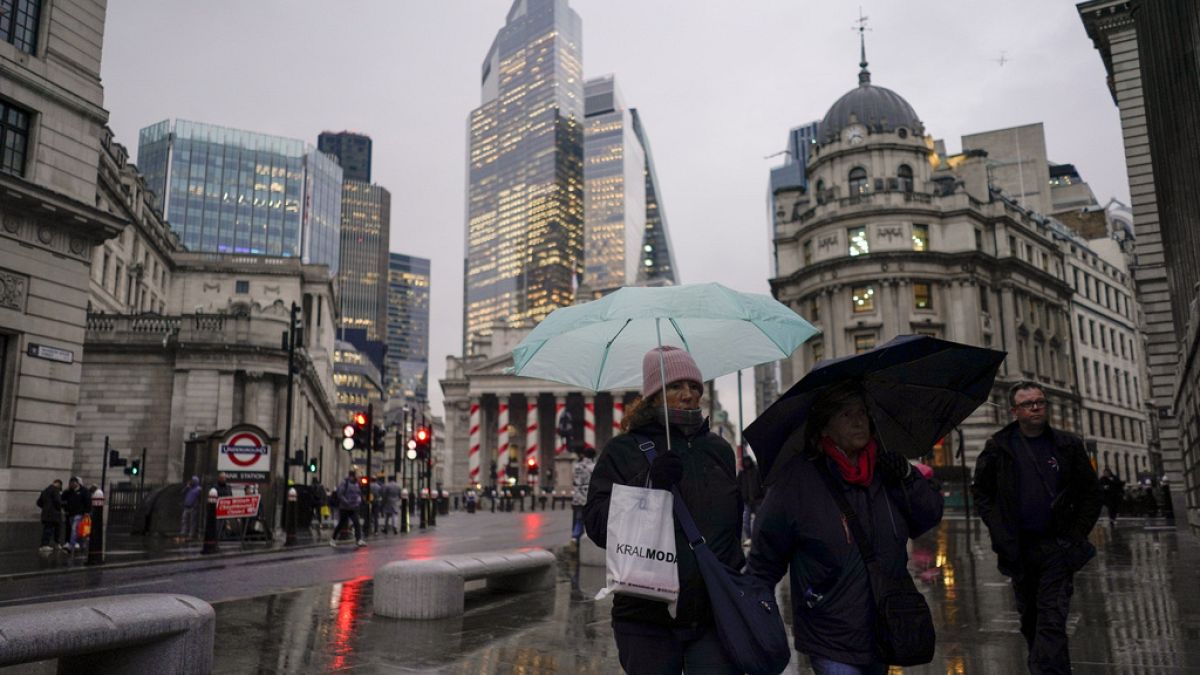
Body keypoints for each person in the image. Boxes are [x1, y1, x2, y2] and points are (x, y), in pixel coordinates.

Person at [747, 382, 944, 674]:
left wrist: (907, 476)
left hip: (883, 624)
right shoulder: (797, 480)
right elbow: (765, 560)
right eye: (846, 415)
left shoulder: (886, 470)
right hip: (830, 632)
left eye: (862, 413)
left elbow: (928, 516)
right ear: (824, 428)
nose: (858, 421)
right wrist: (758, 617)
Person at [584, 346, 744, 675]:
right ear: (654, 395)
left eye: (694, 386)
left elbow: (731, 525)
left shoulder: (719, 450)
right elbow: (598, 525)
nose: (688, 395)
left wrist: (737, 581)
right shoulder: (623, 449)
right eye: (675, 386)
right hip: (646, 617)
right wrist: (647, 483)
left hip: (713, 612)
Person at [973, 381, 1101, 675]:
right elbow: (981, 492)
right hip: (1019, 550)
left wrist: (1075, 534)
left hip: (1057, 547)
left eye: (1040, 402)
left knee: (1052, 619)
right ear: (1014, 411)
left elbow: (1090, 493)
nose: (1035, 407)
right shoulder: (998, 447)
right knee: (1031, 621)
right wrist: (998, 529)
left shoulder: (1067, 445)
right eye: (1028, 404)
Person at [331, 470, 366, 547]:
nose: (358, 477)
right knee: (341, 523)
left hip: (353, 507)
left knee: (356, 523)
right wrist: (346, 502)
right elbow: (340, 494)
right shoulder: (344, 483)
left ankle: (358, 540)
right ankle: (333, 539)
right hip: (345, 507)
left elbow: (358, 493)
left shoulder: (357, 483)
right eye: (357, 476)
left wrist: (359, 500)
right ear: (352, 476)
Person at [737, 453, 764, 545]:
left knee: (758, 519)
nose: (747, 463)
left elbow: (761, 484)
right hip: (747, 500)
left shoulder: (756, 471)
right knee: (746, 521)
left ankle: (756, 538)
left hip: (757, 499)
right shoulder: (742, 474)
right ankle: (749, 538)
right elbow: (738, 485)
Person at [571, 446, 596, 543]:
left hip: (577, 495)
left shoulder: (576, 466)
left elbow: (573, 480)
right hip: (589, 495)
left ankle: (575, 538)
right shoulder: (594, 467)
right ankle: (587, 538)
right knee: (590, 518)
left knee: (578, 518)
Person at [62, 477, 90, 553]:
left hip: (79, 513)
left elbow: (87, 501)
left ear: (77, 483)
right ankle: (78, 543)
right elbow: (62, 500)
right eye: (71, 483)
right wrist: (65, 509)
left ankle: (71, 546)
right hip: (70, 513)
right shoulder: (68, 491)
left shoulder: (84, 491)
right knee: (75, 529)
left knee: (74, 529)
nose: (72, 484)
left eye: (73, 483)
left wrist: (86, 512)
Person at [37, 479, 64, 552]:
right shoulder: (55, 490)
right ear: (59, 485)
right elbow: (58, 501)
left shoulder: (45, 491)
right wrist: (60, 507)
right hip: (54, 514)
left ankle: (46, 544)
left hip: (45, 513)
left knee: (47, 528)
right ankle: (45, 545)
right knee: (52, 529)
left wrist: (45, 507)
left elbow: (39, 502)